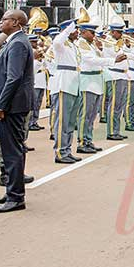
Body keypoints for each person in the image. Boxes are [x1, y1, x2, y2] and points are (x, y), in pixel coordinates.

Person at [0, 10, 34, 214]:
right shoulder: (14, 40)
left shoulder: (18, 43)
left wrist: (1, 106)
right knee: (10, 150)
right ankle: (11, 190)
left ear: (15, 22)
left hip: (11, 107)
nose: (1, 22)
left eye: (5, 19)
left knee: (12, 152)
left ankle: (15, 197)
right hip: (12, 105)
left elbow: (13, 78)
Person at [49, 20, 82, 164]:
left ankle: (67, 149)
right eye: (75, 30)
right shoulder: (60, 45)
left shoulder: (74, 46)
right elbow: (56, 42)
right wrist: (69, 28)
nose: (77, 32)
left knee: (70, 121)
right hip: (63, 84)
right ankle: (60, 152)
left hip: (73, 84)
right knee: (62, 120)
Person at [75, 24, 110, 154]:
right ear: (83, 32)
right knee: (85, 114)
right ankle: (82, 142)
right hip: (87, 82)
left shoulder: (91, 44)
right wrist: (113, 61)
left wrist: (101, 49)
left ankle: (88, 140)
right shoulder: (81, 43)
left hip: (96, 82)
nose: (94, 35)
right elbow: (91, 60)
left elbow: (99, 57)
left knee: (92, 115)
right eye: (91, 32)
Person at [102, 24, 130, 141]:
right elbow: (117, 55)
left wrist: (128, 47)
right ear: (113, 32)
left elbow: (126, 55)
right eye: (119, 32)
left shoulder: (118, 42)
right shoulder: (109, 42)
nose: (121, 34)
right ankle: (112, 131)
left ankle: (116, 130)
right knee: (114, 105)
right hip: (114, 75)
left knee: (119, 105)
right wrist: (124, 46)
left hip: (122, 75)